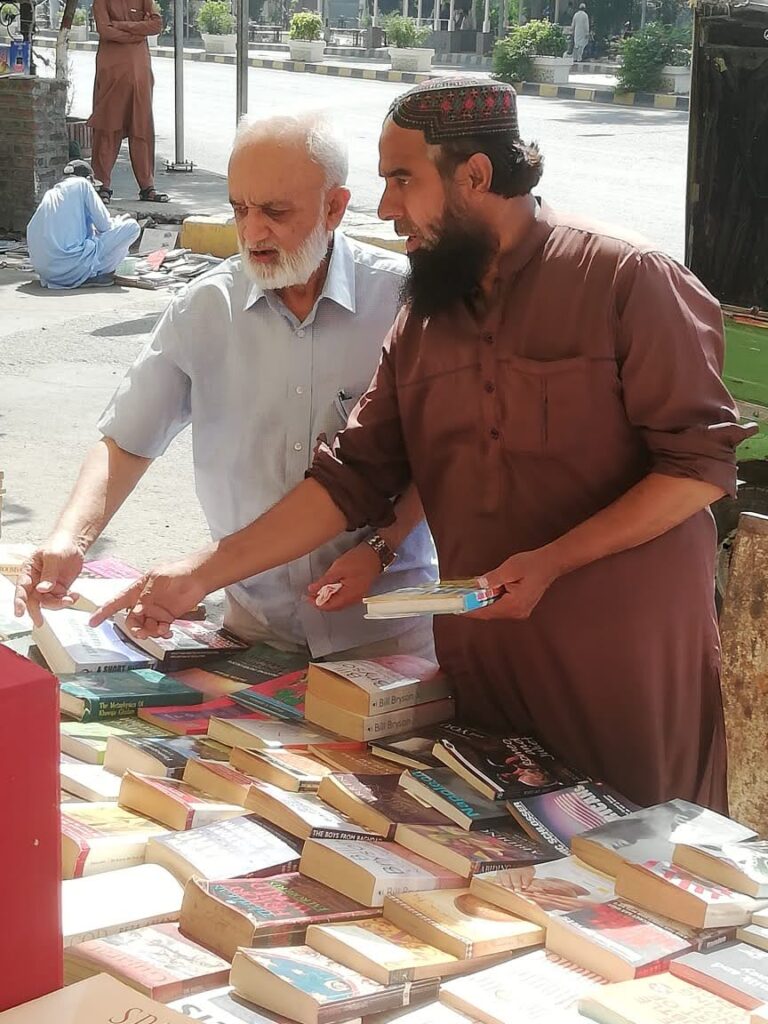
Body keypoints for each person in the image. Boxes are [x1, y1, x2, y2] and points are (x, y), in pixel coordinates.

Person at [86, 77, 753, 811]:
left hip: (625, 666)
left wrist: (554, 562)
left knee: (639, 857)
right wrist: (198, 574)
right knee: (497, 858)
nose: (386, 208)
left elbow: (699, 468)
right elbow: (354, 476)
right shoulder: (427, 318)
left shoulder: (626, 277)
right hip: (483, 667)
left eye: (403, 180)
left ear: (475, 176)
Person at [15, 111, 436, 661]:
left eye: (275, 212)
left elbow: (440, 459)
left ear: (334, 207)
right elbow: (128, 439)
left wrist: (383, 546)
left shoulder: (402, 302)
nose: (253, 232)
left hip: (383, 631)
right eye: (239, 209)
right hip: (253, 630)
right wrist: (70, 538)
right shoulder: (204, 307)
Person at [88, 0, 169, 205]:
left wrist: (122, 25)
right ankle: (101, 185)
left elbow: (156, 25)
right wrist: (138, 32)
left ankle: (147, 186)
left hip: (140, 73)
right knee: (107, 127)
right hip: (112, 73)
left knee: (142, 128)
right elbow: (105, 30)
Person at [26, 159, 140, 289]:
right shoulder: (83, 184)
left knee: (93, 242)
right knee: (132, 227)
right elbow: (105, 226)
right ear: (89, 179)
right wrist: (118, 222)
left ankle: (88, 272)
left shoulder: (52, 194)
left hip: (46, 272)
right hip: (71, 267)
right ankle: (92, 274)